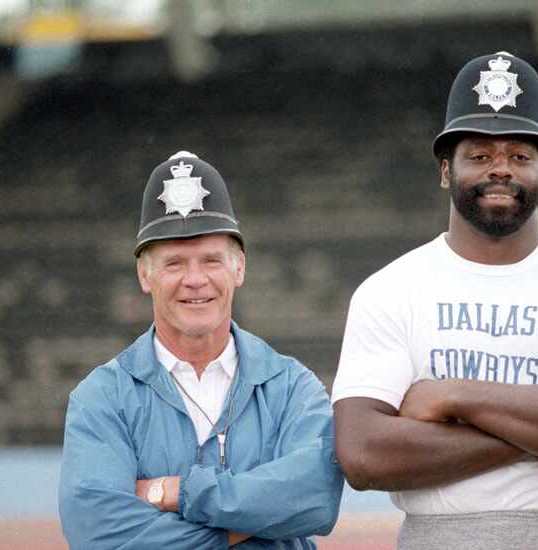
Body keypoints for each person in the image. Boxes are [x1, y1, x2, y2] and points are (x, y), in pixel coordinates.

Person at [331, 52, 538, 550]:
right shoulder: (389, 289)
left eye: (520, 156)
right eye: (480, 155)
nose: (500, 169)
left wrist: (454, 396)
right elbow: (362, 454)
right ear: (446, 170)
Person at [59, 151, 343, 549]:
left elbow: (314, 499)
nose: (195, 280)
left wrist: (179, 493)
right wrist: (246, 527)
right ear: (145, 274)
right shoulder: (103, 398)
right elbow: (97, 533)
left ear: (238, 268)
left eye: (211, 260)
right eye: (174, 263)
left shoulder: (292, 387)